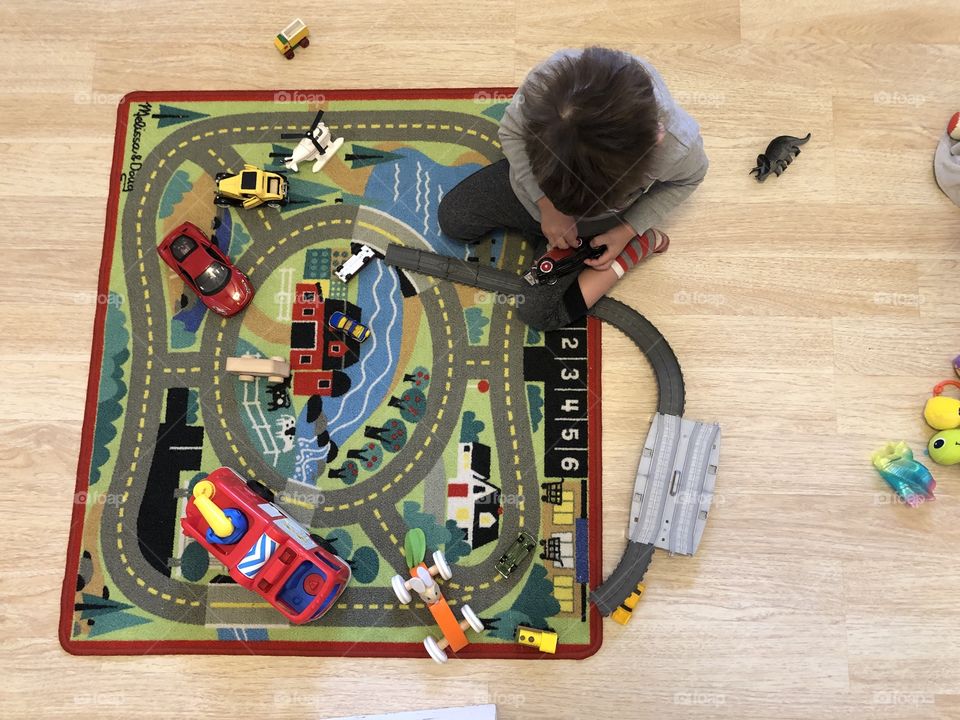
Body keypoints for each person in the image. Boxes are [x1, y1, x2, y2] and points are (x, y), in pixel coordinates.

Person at [437, 47, 709, 330]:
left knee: (536, 314)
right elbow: (511, 131)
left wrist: (627, 230)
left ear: (657, 138)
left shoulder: (677, 147)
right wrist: (546, 203)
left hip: (595, 227)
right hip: (531, 194)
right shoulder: (546, 88)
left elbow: (690, 178)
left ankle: (642, 245)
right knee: (453, 220)